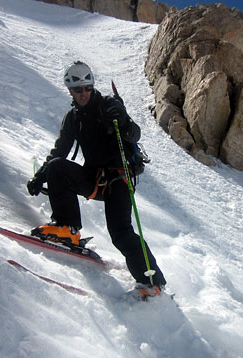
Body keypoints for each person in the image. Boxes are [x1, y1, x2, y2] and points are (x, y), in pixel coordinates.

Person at [26, 61, 166, 297]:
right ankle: (66, 228)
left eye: (86, 88)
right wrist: (41, 174)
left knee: (120, 231)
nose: (83, 93)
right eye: (77, 89)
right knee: (57, 167)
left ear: (92, 86)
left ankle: (152, 282)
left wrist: (122, 120)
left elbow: (134, 134)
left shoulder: (108, 105)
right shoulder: (72, 118)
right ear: (70, 90)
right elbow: (60, 150)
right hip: (93, 178)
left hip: (118, 178)